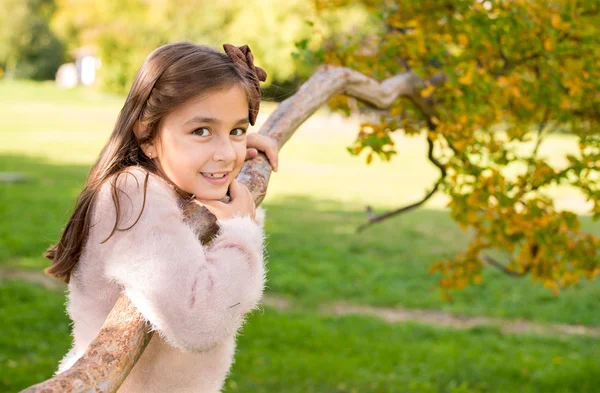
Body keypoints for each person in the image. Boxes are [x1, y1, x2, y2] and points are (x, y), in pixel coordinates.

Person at [44, 42, 279, 393]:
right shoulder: (133, 196)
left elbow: (210, 151)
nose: (226, 153)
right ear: (147, 136)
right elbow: (199, 323)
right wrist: (239, 228)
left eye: (236, 130)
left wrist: (230, 146)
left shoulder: (161, 183)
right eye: (201, 130)